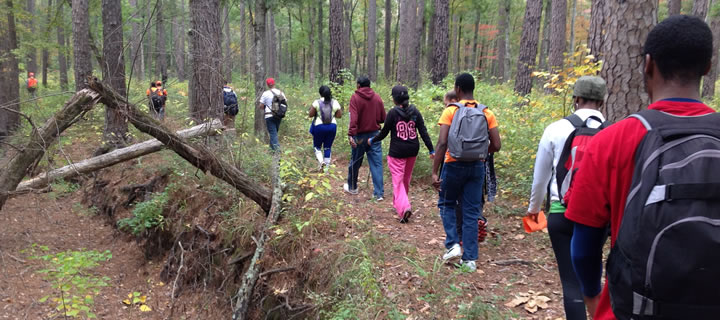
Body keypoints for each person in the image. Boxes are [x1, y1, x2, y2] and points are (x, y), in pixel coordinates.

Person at [566, 15, 718, 320]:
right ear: (707, 68)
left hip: (633, 310)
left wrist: (592, 296)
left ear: (648, 64)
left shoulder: (611, 141)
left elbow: (583, 248)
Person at [525, 76, 607, 320]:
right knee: (592, 277)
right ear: (602, 101)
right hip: (596, 218)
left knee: (570, 282)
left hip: (561, 214)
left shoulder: (556, 129)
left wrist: (534, 210)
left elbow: (540, 177)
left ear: (576, 99)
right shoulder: (612, 131)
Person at [432, 73, 501, 272]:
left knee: (446, 203)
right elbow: (496, 144)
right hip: (477, 167)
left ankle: (453, 244)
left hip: (453, 164)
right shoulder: (486, 112)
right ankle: (470, 260)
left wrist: (435, 172)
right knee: (471, 210)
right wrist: (480, 153)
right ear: (473, 89)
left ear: (458, 89)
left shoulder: (451, 111)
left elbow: (443, 142)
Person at [367, 85, 434, 223]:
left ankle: (404, 208)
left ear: (394, 99)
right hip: (412, 150)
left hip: (397, 152)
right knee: (405, 180)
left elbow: (384, 132)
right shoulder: (415, 111)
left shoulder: (393, 113)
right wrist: (431, 149)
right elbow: (423, 131)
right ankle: (399, 205)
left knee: (398, 182)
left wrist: (373, 139)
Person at [344, 76, 386, 201]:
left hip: (360, 136)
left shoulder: (355, 98)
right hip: (375, 135)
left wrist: (351, 134)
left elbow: (353, 118)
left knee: (356, 161)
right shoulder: (377, 97)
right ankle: (378, 194)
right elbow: (383, 118)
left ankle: (352, 187)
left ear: (358, 85)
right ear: (369, 85)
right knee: (377, 164)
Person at [309, 85, 343, 171]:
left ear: (320, 93)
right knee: (328, 147)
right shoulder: (335, 102)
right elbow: (339, 115)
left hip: (319, 127)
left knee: (317, 146)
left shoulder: (316, 102)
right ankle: (326, 169)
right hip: (332, 127)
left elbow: (310, 114)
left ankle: (321, 162)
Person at [258, 78, 287, 151]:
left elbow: (261, 106)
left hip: (269, 116)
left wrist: (265, 106)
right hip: (279, 115)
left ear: (267, 85)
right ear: (274, 83)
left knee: (273, 133)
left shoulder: (265, 93)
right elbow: (285, 103)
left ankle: (277, 152)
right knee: (274, 133)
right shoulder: (281, 93)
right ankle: (271, 150)